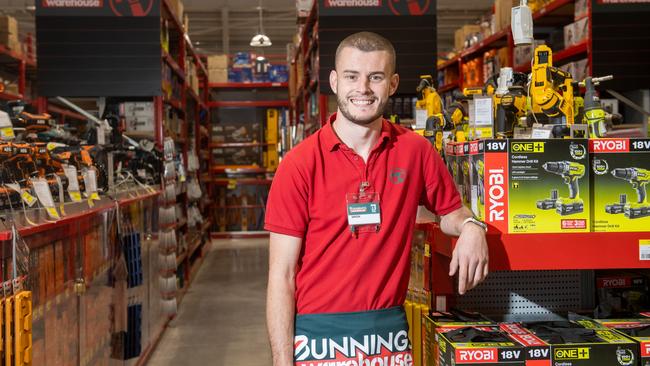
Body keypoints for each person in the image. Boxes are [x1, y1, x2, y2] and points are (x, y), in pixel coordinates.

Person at [265, 31, 489, 366]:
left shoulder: (415, 151)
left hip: (388, 337)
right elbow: (281, 276)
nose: (364, 89)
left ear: (393, 83)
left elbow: (450, 210)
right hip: (318, 339)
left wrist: (472, 226)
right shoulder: (299, 165)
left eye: (376, 77)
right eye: (352, 77)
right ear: (335, 81)